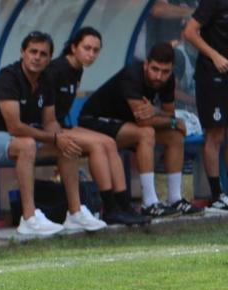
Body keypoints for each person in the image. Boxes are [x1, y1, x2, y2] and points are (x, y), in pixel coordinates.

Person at [0, 32, 109, 237]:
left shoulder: (46, 79)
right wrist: (54, 138)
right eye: (33, 52)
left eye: (43, 54)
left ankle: (75, 212)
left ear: (49, 58)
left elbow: (50, 120)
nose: (37, 57)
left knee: (68, 145)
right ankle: (28, 218)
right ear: (22, 53)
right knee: (27, 144)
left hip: (26, 138)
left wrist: (61, 138)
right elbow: (14, 126)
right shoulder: (8, 77)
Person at [78, 42, 203, 217]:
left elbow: (167, 114)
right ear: (146, 64)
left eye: (165, 71)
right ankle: (149, 202)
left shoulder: (168, 80)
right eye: (155, 69)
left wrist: (160, 113)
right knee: (146, 133)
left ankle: (175, 198)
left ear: (171, 69)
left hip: (126, 124)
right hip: (95, 121)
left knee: (174, 137)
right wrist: (170, 120)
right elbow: (145, 121)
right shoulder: (132, 74)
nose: (159, 76)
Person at [45, 27, 150, 225]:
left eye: (96, 50)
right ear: (74, 47)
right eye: (87, 48)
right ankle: (109, 207)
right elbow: (48, 115)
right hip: (50, 129)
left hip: (63, 125)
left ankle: (123, 205)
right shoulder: (57, 69)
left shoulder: (76, 69)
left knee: (110, 142)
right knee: (97, 145)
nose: (91, 54)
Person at [182, 0, 228, 211]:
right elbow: (189, 32)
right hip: (213, 75)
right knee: (215, 133)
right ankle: (217, 194)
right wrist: (214, 55)